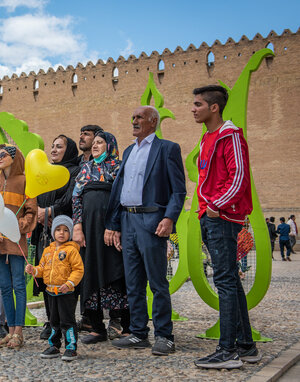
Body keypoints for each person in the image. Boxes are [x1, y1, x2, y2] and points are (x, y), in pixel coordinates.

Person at [104, 105, 186, 356]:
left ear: (153, 122)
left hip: (152, 220)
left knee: (157, 282)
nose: (134, 120)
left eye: (139, 117)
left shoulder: (167, 149)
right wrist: (115, 224)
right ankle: (138, 333)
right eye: (133, 117)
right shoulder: (128, 151)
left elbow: (178, 190)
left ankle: (164, 335)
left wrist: (170, 218)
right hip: (128, 221)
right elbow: (119, 191)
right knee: (133, 282)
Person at [190, 85, 262, 369]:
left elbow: (239, 176)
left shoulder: (229, 135)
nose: (193, 109)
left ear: (214, 107)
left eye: (198, 104)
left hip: (222, 218)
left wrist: (216, 207)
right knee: (230, 282)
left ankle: (227, 350)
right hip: (210, 216)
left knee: (225, 283)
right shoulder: (208, 137)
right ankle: (246, 346)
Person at [73, 131, 130, 344]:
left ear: (110, 145)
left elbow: (123, 197)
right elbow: (76, 198)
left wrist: (116, 225)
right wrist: (77, 226)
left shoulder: (119, 166)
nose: (95, 145)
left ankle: (127, 326)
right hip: (89, 231)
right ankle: (97, 328)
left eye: (100, 142)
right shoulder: (85, 168)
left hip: (112, 230)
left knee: (117, 273)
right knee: (91, 273)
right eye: (94, 142)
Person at [0, 144, 37, 349]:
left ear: (14, 157)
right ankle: (9, 331)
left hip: (16, 243)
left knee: (19, 286)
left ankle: (19, 332)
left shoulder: (24, 182)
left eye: (2, 154)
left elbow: (31, 214)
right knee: (4, 287)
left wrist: (16, 227)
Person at [31, 134, 80, 339]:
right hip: (44, 233)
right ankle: (50, 322)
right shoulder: (47, 173)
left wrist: (49, 212)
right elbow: (37, 195)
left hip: (63, 232)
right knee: (46, 276)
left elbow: (69, 198)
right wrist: (39, 214)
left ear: (68, 150)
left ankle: (65, 322)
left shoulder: (74, 172)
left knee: (64, 276)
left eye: (59, 147)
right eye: (52, 146)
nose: (53, 150)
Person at [26, 215, 84, 362]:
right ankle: (54, 345)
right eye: (58, 229)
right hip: (51, 292)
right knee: (53, 320)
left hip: (66, 292)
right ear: (53, 232)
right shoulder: (47, 251)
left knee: (67, 320)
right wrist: (34, 270)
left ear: (70, 233)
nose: (61, 233)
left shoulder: (72, 251)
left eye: (65, 230)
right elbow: (42, 269)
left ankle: (71, 347)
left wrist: (70, 283)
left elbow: (78, 270)